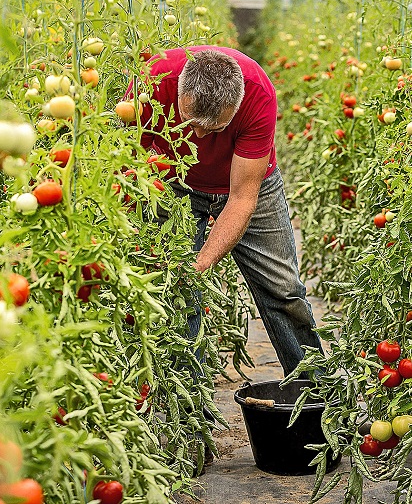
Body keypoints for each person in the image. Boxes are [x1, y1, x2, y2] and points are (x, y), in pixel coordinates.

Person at [131, 46, 323, 378]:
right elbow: (126, 160)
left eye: (215, 128)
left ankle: (320, 397)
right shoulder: (151, 83)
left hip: (250, 186)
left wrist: (202, 261)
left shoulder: (258, 95)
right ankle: (186, 406)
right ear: (180, 90)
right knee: (175, 289)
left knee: (283, 288)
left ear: (235, 106)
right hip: (172, 181)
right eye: (191, 124)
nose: (200, 135)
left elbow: (242, 200)